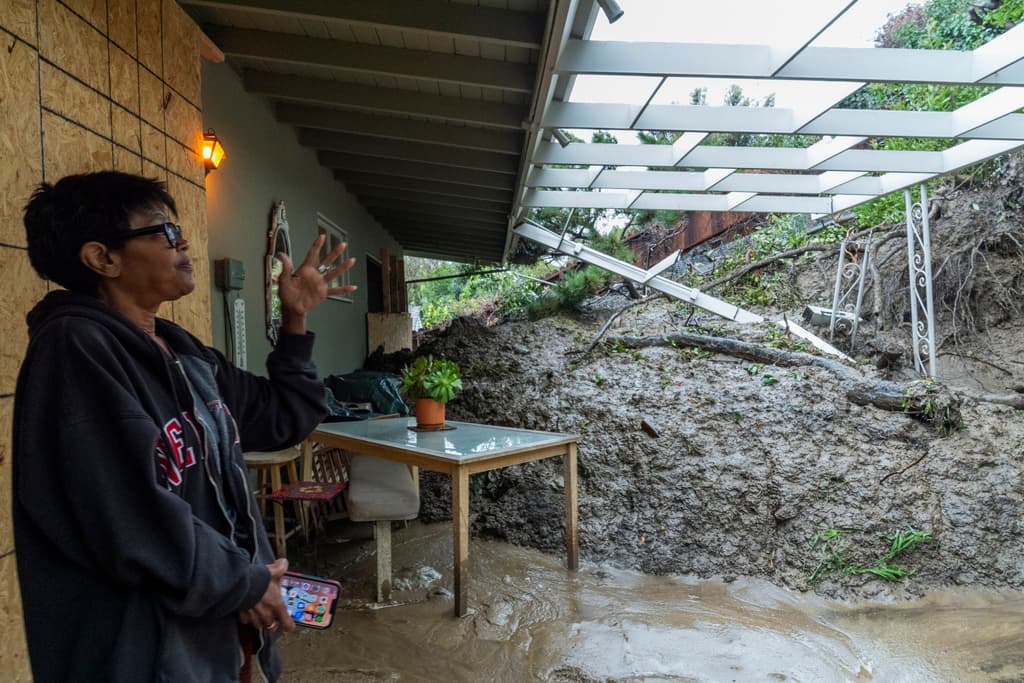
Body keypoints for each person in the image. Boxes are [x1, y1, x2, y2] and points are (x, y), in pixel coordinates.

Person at [12, 171, 356, 682]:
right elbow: (130, 517)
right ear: (102, 258)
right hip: (140, 656)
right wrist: (244, 584)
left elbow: (284, 418)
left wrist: (295, 320)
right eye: (164, 232)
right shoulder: (74, 351)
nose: (184, 241)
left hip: (210, 645)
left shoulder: (185, 354)